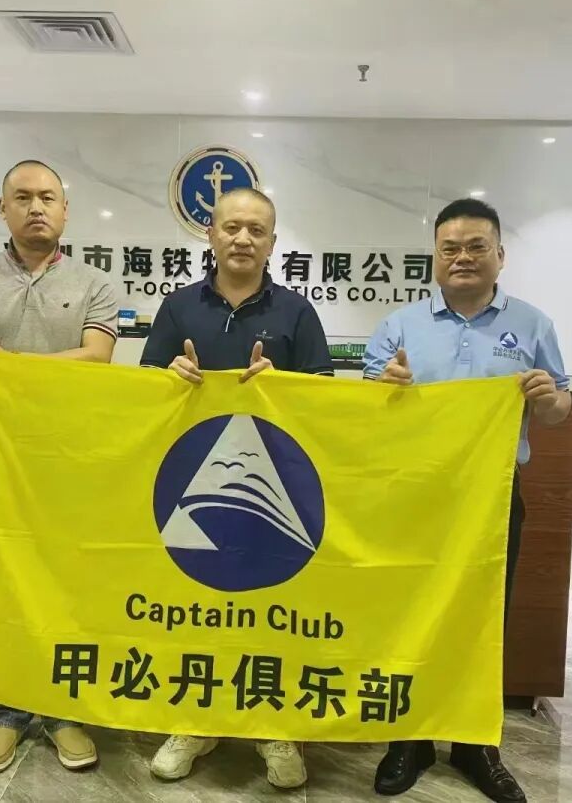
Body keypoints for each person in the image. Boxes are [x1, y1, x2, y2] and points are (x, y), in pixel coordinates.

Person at [363, 198, 571, 803]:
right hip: (416, 496)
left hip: (495, 496)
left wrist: (547, 398)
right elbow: (368, 409)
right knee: (413, 614)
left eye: (476, 246)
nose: (463, 257)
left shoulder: (533, 325)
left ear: (499, 255)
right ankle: (409, 738)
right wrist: (385, 388)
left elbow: (557, 410)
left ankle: (477, 745)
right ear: (434, 257)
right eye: (450, 248)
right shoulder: (400, 326)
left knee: (485, 619)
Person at [0, 160, 118, 775]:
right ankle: (6, 713)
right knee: (1, 581)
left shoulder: (95, 282)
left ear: (65, 211)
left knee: (66, 582)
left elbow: (97, 357)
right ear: (3, 208)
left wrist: (10, 363)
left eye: (48, 198)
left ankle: (63, 710)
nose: (37, 207)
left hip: (69, 457)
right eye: (24, 197)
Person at [140, 187, 333, 789]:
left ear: (273, 242)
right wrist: (167, 376)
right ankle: (195, 722)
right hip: (191, 488)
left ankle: (274, 727)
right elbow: (140, 390)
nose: (243, 239)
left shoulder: (297, 313)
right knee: (197, 608)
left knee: (269, 613)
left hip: (275, 493)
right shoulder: (178, 307)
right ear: (210, 234)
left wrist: (286, 385)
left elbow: (326, 399)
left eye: (256, 230)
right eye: (231, 228)